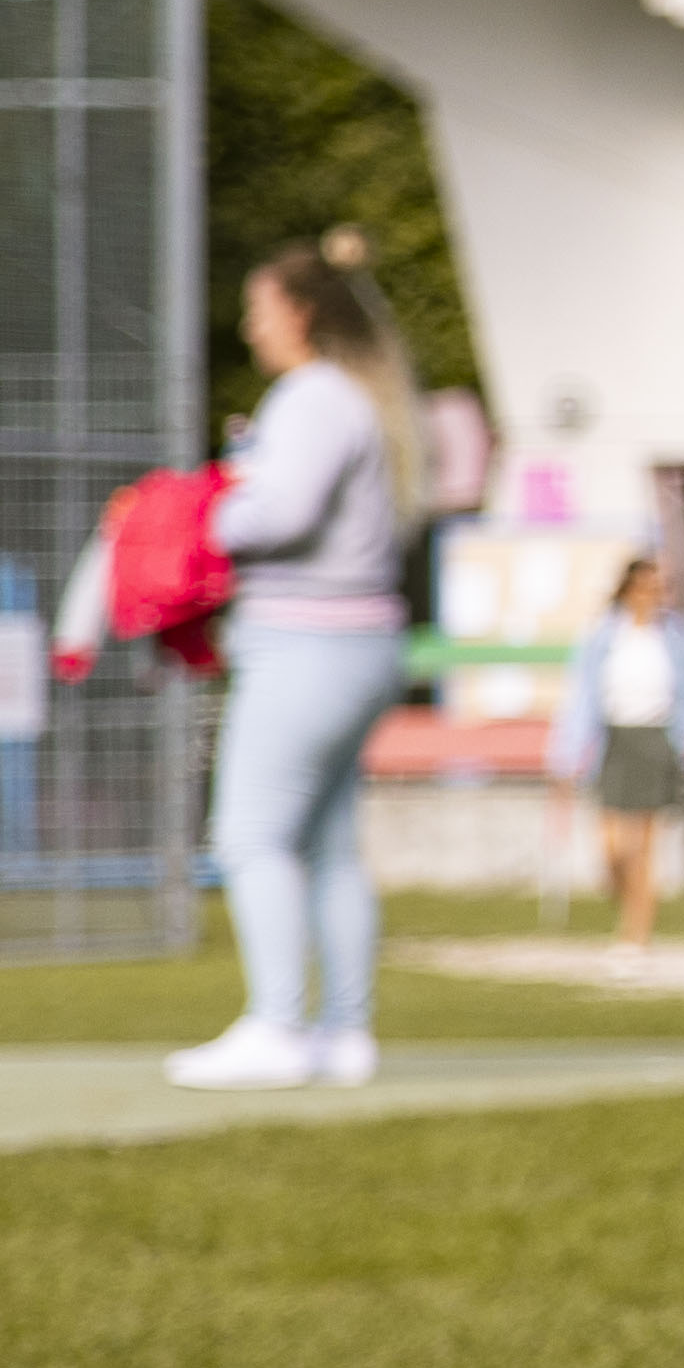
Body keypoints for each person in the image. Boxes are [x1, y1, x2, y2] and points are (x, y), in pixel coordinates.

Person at [170, 233, 426, 1089]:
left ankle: (277, 1026)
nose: (250, 329)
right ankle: (343, 1032)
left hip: (307, 643)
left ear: (302, 314)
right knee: (328, 845)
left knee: (251, 835)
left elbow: (279, 513)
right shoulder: (362, 401)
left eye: (260, 310)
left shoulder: (313, 399)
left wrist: (214, 508)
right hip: (358, 642)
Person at [547, 550, 684, 964]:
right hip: (614, 740)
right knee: (610, 849)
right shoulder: (604, 634)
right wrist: (565, 753)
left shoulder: (681, 634)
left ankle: (635, 936)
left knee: (642, 846)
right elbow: (582, 696)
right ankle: (628, 912)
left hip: (656, 738)